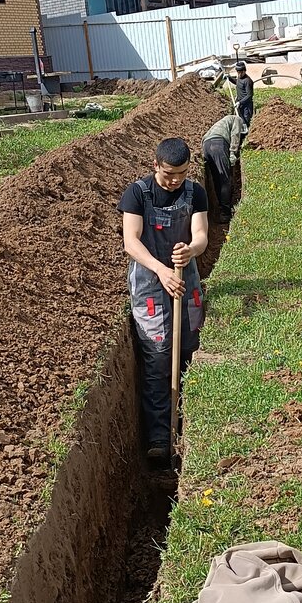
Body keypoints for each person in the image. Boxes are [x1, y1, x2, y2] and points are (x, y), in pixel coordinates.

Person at [119, 137, 209, 462]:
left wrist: (190, 250)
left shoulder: (194, 192)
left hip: (186, 281)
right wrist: (160, 270)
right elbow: (131, 242)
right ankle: (159, 438)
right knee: (158, 356)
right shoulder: (137, 194)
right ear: (156, 164)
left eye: (181, 174)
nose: (175, 180)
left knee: (189, 350)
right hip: (149, 283)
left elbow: (201, 235)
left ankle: (189, 424)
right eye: (169, 173)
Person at [201, 111, 246, 223]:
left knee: (217, 179)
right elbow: (235, 136)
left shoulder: (221, 123)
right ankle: (225, 212)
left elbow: (204, 138)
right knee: (225, 180)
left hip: (206, 146)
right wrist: (232, 153)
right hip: (218, 145)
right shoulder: (237, 119)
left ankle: (219, 207)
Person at [226, 60, 255, 126]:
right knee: (240, 120)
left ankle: (246, 134)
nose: (239, 74)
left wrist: (240, 102)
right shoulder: (239, 77)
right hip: (240, 104)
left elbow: (249, 95)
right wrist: (229, 78)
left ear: (244, 71)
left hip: (246, 106)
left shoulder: (248, 81)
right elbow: (237, 83)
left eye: (240, 72)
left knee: (246, 122)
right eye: (238, 72)